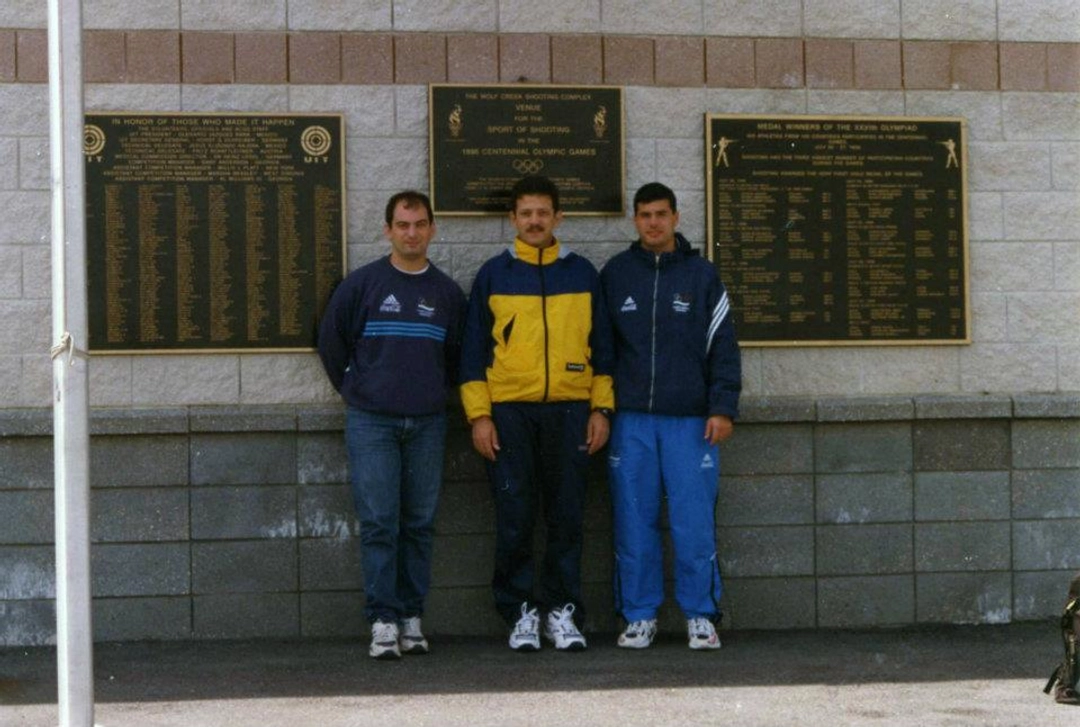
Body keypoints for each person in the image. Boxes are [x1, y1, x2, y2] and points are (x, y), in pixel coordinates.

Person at [459, 175, 615, 652]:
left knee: (567, 516)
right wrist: (479, 417)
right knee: (515, 516)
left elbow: (604, 349)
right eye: (525, 213)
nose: (534, 221)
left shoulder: (583, 274)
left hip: (570, 413)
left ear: (558, 218)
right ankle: (520, 612)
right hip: (509, 416)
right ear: (513, 219)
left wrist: (601, 409)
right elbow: (471, 355)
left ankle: (562, 612)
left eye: (543, 213)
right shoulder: (493, 274)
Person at [318, 190, 466, 660]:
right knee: (381, 521)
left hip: (427, 423)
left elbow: (458, 356)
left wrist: (435, 396)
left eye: (420, 224)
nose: (411, 233)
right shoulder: (362, 285)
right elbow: (331, 342)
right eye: (402, 225)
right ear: (387, 230)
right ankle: (383, 620)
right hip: (372, 423)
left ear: (432, 229)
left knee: (419, 523)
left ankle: (411, 617)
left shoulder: (446, 293)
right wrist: (357, 391)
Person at [599, 182, 741, 650]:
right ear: (635, 220)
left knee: (692, 521)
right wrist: (602, 409)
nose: (653, 223)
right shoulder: (616, 275)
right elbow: (601, 351)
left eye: (661, 214)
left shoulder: (702, 276)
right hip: (632, 421)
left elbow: (723, 348)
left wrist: (722, 407)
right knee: (633, 519)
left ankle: (700, 615)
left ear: (676, 218)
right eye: (644, 215)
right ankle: (639, 616)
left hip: (690, 422)